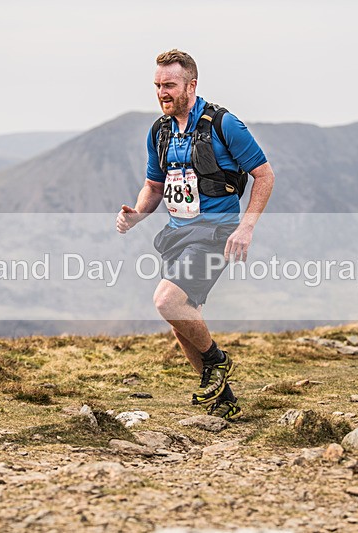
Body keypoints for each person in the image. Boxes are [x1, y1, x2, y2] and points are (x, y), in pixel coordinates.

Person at [116, 49, 275, 420]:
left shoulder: (224, 124)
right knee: (185, 319)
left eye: (169, 85)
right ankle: (224, 403)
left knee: (167, 301)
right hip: (177, 234)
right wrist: (137, 214)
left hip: (216, 232)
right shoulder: (159, 131)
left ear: (192, 84)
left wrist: (246, 228)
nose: (161, 92)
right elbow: (154, 187)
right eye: (157, 85)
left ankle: (218, 362)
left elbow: (264, 176)